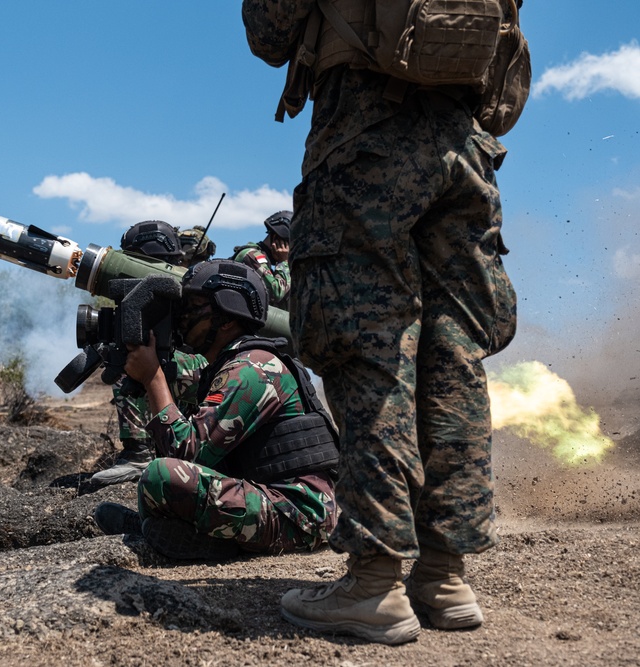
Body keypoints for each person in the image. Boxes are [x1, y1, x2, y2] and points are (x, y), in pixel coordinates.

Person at [242, 0, 521, 645]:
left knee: (370, 351)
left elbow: (270, 34)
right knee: (453, 356)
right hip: (466, 148)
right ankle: (444, 576)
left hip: (365, 140)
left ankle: (374, 583)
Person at [93, 259, 339, 560]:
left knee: (162, 475)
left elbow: (186, 452)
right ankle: (171, 532)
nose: (182, 318)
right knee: (162, 477)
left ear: (226, 320)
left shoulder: (253, 369)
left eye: (194, 307)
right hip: (275, 501)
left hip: (298, 515)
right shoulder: (231, 364)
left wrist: (153, 377)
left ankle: (211, 544)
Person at [91, 220, 197, 486]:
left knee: (133, 362)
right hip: (193, 371)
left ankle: (139, 454)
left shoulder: (182, 289)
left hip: (205, 370)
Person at [230, 211, 292, 308]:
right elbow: (276, 293)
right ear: (276, 238)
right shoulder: (252, 255)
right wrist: (283, 262)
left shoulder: (266, 261)